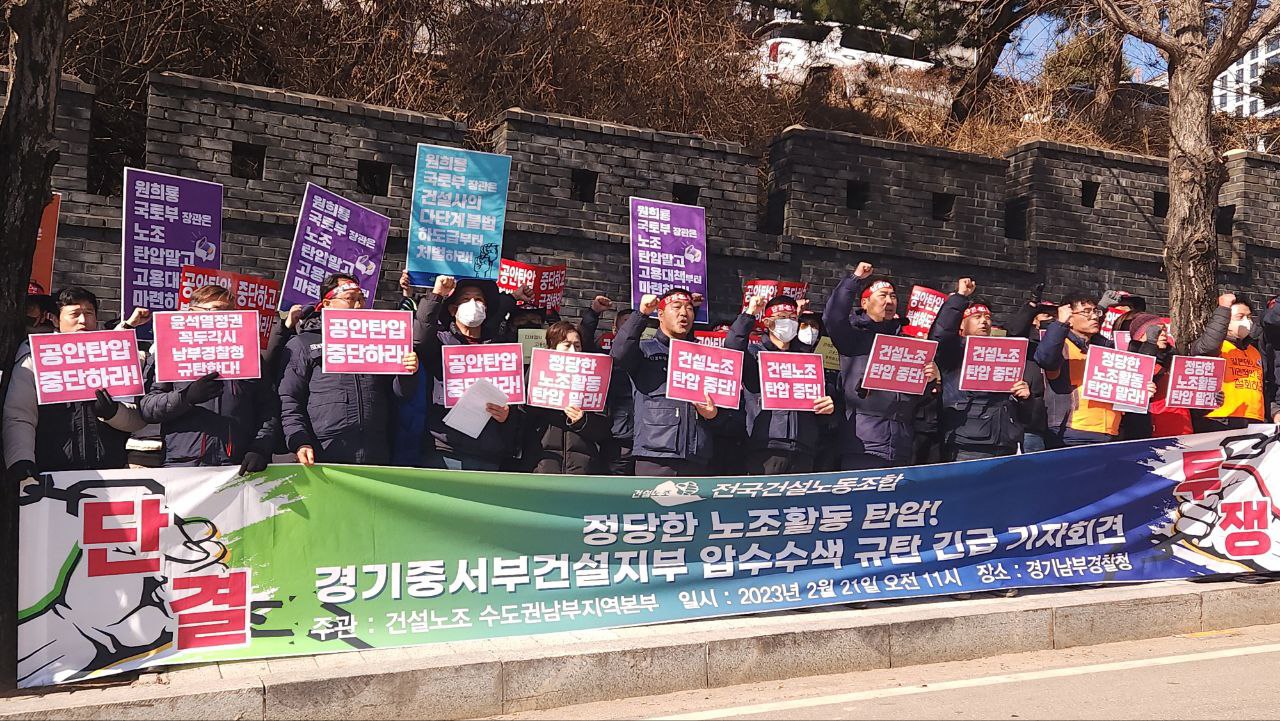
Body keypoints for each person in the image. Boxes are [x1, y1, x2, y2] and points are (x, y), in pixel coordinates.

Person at [4, 287, 147, 480]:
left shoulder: (115, 355)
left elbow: (139, 418)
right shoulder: (35, 356)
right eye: (74, 314)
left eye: (89, 313)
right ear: (56, 319)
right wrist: (21, 460)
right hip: (51, 474)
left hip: (111, 472)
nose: (83, 320)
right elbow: (19, 415)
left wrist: (114, 413)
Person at [279, 274, 418, 465]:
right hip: (323, 450)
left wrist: (407, 372)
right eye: (350, 298)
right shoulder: (303, 343)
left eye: (361, 298)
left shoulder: (379, 342)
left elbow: (400, 394)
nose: (358, 304)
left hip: (375, 449)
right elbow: (289, 398)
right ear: (327, 304)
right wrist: (299, 441)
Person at [138, 284, 278, 474]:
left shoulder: (249, 356)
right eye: (217, 311)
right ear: (192, 313)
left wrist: (260, 448)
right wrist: (186, 398)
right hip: (183, 465)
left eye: (230, 312)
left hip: (237, 465)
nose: (224, 318)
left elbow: (268, 409)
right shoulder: (170, 352)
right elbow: (147, 408)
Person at [821, 262, 940, 470]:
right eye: (882, 295)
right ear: (865, 302)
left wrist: (930, 380)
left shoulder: (908, 344)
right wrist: (854, 279)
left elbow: (915, 398)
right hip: (862, 443)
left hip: (901, 443)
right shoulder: (853, 337)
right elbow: (833, 317)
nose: (889, 300)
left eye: (893, 296)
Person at [611, 288, 740, 477]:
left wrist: (713, 415)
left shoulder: (705, 357)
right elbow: (619, 353)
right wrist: (641, 314)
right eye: (676, 307)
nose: (683, 313)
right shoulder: (645, 351)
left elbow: (727, 411)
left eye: (689, 308)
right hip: (655, 455)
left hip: (697, 456)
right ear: (660, 314)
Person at [412, 274, 524, 470]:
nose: (473, 304)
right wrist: (436, 294)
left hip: (487, 451)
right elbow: (420, 337)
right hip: (445, 447)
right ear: (453, 309)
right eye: (465, 299)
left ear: (486, 308)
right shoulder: (440, 342)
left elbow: (513, 397)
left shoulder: (501, 348)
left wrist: (507, 414)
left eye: (478, 299)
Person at [930, 278, 1033, 461]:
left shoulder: (1002, 352)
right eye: (977, 317)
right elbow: (941, 333)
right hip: (967, 441)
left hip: (1005, 441)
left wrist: (1023, 397)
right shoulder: (952, 351)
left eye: (987, 317)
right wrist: (960, 297)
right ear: (961, 324)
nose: (984, 322)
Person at [733, 294, 835, 475]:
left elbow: (820, 403)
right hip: (765, 446)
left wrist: (827, 407)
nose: (788, 322)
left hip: (804, 448)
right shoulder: (755, 355)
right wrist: (749, 313)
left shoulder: (807, 361)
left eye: (793, 318)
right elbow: (732, 348)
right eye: (781, 317)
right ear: (767, 322)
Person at [1034, 292, 1130, 447]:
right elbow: (1045, 359)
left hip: (1111, 431)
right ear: (1069, 317)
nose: (1094, 316)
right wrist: (1060, 324)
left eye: (1095, 312)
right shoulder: (1061, 345)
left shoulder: (1104, 349)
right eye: (1086, 312)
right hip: (1073, 431)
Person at [521, 321, 611, 474]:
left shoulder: (592, 380)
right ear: (552, 347)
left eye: (577, 346)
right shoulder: (536, 375)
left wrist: (583, 421)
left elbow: (604, 430)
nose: (573, 351)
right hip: (543, 464)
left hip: (581, 468)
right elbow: (522, 420)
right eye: (567, 345)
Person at [1191, 293, 1269, 431]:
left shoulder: (1254, 351)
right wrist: (1224, 309)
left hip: (1255, 419)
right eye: (1240, 317)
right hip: (1221, 418)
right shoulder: (1217, 348)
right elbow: (1209, 344)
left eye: (1249, 317)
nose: (1247, 322)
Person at [580, 294, 636, 475]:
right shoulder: (604, 354)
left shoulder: (646, 352)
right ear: (614, 328)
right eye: (626, 324)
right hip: (615, 434)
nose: (631, 328)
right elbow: (583, 344)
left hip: (645, 435)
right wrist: (593, 313)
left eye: (635, 324)